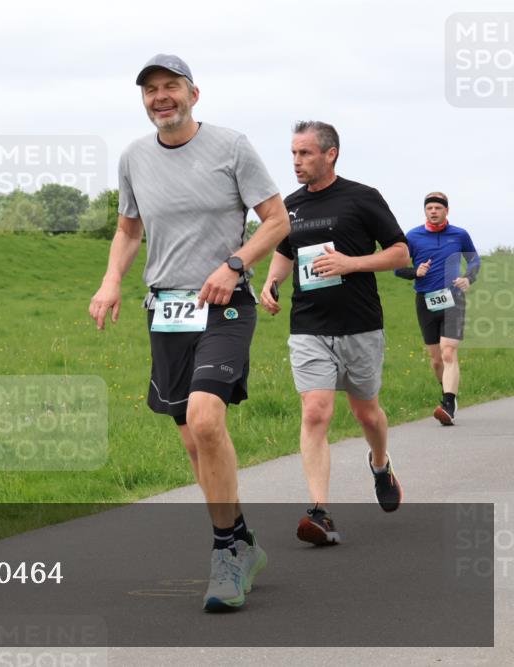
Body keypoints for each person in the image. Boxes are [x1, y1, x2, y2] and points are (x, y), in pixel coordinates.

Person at [89, 54, 290, 611]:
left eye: (170, 86)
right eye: (151, 90)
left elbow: (277, 220)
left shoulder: (231, 146)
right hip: (167, 310)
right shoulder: (133, 157)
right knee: (192, 440)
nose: (161, 97)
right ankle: (243, 539)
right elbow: (128, 230)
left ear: (193, 94)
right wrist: (111, 282)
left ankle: (225, 552)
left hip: (225, 304)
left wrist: (235, 264)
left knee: (206, 419)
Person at [261, 121, 409, 546]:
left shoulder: (363, 198)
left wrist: (351, 263)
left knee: (367, 413)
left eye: (305, 154)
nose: (296, 162)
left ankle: (380, 463)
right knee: (315, 412)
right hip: (308, 326)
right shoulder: (289, 207)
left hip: (359, 325)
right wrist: (272, 283)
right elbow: (283, 253)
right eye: (293, 154)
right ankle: (320, 512)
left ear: (331, 154)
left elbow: (400, 252)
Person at [394, 192, 480, 425]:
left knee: (449, 351)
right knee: (436, 360)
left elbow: (474, 260)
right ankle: (446, 393)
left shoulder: (459, 235)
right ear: (425, 211)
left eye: (437, 208)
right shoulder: (413, 236)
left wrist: (468, 278)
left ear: (446, 211)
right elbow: (397, 267)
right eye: (429, 208)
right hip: (426, 301)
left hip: (454, 298)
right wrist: (415, 271)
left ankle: (449, 404)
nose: (433, 211)